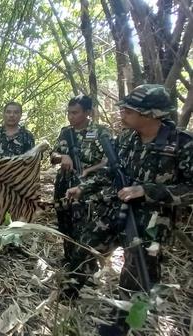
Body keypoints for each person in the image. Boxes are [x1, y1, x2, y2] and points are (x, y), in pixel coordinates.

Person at [66, 84, 193, 334]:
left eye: (128, 110)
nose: (121, 113)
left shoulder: (182, 144)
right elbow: (112, 172)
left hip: (152, 221)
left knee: (137, 273)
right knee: (85, 248)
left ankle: (120, 324)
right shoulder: (126, 138)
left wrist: (148, 190)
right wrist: (85, 187)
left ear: (151, 115)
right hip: (115, 209)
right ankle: (67, 294)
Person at [50, 95, 111, 263]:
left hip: (88, 186)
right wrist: (62, 156)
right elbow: (52, 155)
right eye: (69, 112)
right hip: (64, 183)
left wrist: (88, 170)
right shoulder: (65, 132)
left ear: (88, 112)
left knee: (84, 225)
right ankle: (68, 259)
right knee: (64, 221)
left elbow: (108, 160)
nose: (70, 116)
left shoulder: (100, 132)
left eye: (75, 112)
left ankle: (86, 267)